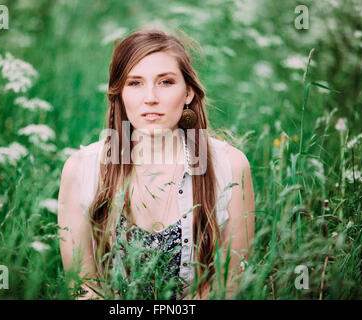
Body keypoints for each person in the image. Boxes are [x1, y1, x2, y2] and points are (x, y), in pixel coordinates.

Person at [57, 29, 255, 300]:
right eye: (135, 83)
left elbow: (229, 282)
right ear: (120, 94)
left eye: (165, 82)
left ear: (188, 93)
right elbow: (82, 286)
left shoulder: (230, 167)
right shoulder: (82, 169)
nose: (150, 97)